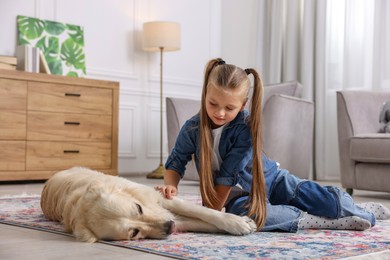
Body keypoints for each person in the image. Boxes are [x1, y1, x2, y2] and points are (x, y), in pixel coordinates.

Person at [155, 58, 390, 232]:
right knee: (246, 217)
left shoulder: (246, 127)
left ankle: (360, 209)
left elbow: (227, 178)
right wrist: (170, 188)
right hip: (238, 197)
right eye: (213, 103)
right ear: (205, 94)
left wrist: (209, 214)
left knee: (323, 199)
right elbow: (176, 161)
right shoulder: (192, 128)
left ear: (243, 105)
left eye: (229, 108)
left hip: (272, 180)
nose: (219, 112)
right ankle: (320, 220)